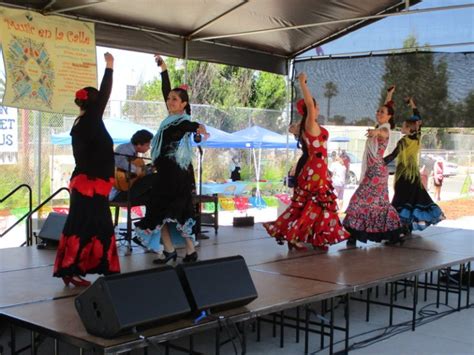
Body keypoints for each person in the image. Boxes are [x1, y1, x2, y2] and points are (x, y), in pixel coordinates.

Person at [53, 53, 120, 286]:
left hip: (84, 182)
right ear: (93, 103)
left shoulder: (80, 122)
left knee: (83, 224)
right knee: (94, 225)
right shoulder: (92, 118)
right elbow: (105, 93)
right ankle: (88, 268)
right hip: (91, 184)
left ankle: (73, 269)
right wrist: (110, 67)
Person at [135, 54, 209, 264]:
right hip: (165, 173)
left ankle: (189, 250)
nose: (169, 101)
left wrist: (198, 127)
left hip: (176, 175)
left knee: (177, 211)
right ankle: (171, 251)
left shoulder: (181, 121)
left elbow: (187, 126)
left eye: (174, 99)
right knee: (159, 212)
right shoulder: (169, 120)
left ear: (184, 104)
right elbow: (165, 89)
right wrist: (164, 69)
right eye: (168, 99)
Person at [263, 72, 349, 251]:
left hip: (317, 169)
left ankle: (311, 237)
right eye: (315, 107)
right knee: (315, 203)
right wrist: (302, 83)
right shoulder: (309, 124)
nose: (317, 109)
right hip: (314, 170)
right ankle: (298, 236)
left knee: (309, 205)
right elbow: (309, 104)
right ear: (312, 109)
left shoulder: (305, 125)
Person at [343, 85, 402, 246]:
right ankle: (392, 233)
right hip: (374, 172)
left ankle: (353, 233)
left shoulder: (385, 129)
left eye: (381, 112)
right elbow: (386, 110)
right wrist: (389, 95)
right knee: (378, 203)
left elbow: (381, 133)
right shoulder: (381, 125)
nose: (378, 113)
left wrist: (375, 133)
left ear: (389, 117)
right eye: (377, 111)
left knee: (359, 200)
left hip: (376, 174)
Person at [383, 97, 444, 233]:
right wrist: (412, 104)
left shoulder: (403, 142)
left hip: (404, 176)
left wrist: (378, 163)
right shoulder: (416, 138)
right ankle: (407, 227)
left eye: (404, 126)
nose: (401, 128)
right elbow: (418, 119)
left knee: (400, 201)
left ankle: (399, 229)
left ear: (409, 129)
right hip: (414, 177)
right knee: (413, 201)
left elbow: (392, 156)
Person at [109, 129, 154, 205]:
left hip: (127, 190)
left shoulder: (136, 156)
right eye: (147, 145)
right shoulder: (123, 148)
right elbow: (119, 162)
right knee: (154, 178)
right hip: (117, 193)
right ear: (139, 144)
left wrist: (149, 169)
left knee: (152, 196)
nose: (149, 148)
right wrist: (135, 169)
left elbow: (137, 175)